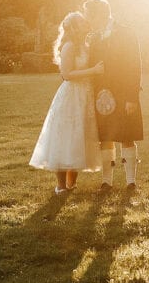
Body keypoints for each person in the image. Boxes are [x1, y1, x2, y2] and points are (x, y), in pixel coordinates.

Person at [29, 11, 104, 194]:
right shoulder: (69, 46)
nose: (86, 26)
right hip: (71, 96)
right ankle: (61, 185)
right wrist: (93, 71)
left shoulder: (85, 46)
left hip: (85, 95)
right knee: (65, 137)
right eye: (82, 24)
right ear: (75, 28)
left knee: (79, 137)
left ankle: (72, 184)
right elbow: (67, 75)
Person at [83, 0, 143, 192]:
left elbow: (135, 66)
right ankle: (106, 182)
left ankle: (130, 181)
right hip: (101, 95)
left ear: (100, 14)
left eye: (89, 15)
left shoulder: (126, 33)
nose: (87, 19)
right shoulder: (92, 37)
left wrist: (132, 96)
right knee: (106, 136)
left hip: (124, 92)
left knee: (127, 135)